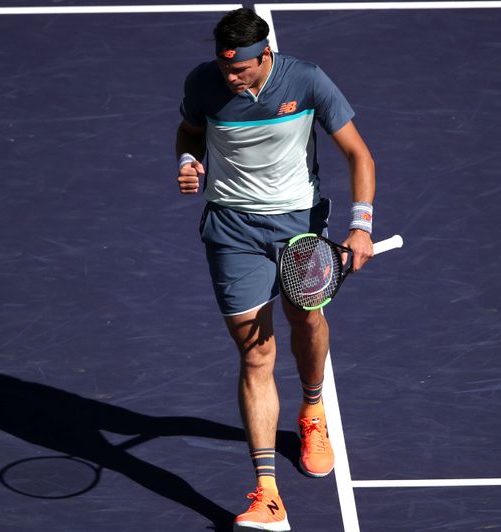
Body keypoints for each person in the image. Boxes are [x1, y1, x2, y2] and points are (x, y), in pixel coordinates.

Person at [175, 8, 376, 531]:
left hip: (299, 227)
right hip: (232, 230)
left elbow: (358, 154)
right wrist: (187, 162)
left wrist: (361, 225)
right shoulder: (203, 82)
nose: (231, 78)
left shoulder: (306, 79)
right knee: (255, 353)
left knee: (306, 321)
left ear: (265, 56)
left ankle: (312, 412)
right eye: (225, 70)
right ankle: (267, 493)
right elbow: (189, 132)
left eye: (240, 69)